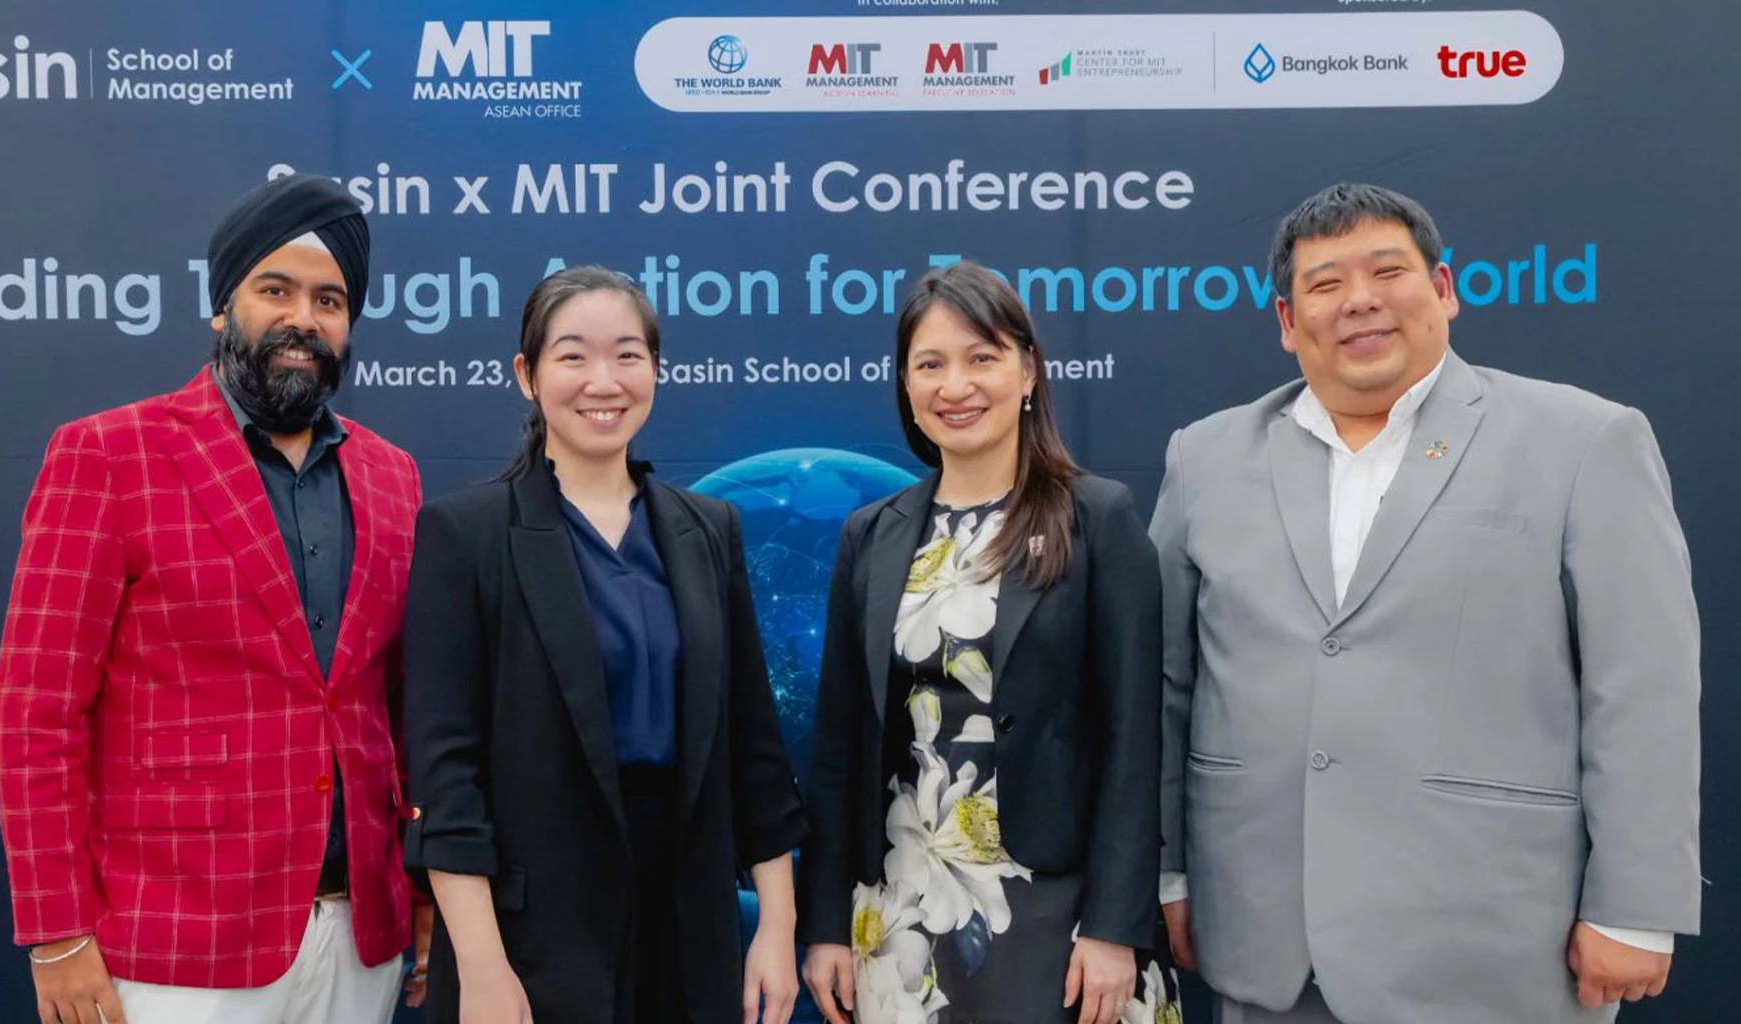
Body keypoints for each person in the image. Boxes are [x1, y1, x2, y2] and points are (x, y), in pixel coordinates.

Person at [1151, 182, 1702, 1023]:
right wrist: (1169, 872)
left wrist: (1635, 906)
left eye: (1387, 271)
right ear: (1288, 322)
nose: (1360, 300)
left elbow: (1642, 688)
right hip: (1269, 944)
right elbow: (1166, 686)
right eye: (1326, 284)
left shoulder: (1584, 441)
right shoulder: (1206, 458)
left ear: (1443, 289)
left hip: (1495, 951)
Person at [0, 173, 429, 1024]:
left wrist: (417, 887)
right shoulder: (108, 455)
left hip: (360, 937)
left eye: (330, 300)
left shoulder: (393, 475)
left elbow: (400, 707)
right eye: (276, 290)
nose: (304, 318)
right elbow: (34, 711)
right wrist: (57, 934)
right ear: (223, 308)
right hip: (173, 944)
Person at [401, 265, 807, 1024]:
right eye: (573, 356)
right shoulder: (467, 534)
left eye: (627, 355)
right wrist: (482, 967)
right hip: (529, 944)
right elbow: (445, 771)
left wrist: (776, 928)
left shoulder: (707, 531)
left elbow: (754, 749)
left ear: (655, 369)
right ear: (526, 375)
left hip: (689, 933)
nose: (603, 381)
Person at [798, 261, 1180, 1024]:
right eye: (930, 365)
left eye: (982, 357)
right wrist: (826, 924)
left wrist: (1115, 925)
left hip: (1065, 915)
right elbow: (839, 750)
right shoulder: (870, 537)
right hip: (903, 907)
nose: (956, 386)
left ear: (1028, 371)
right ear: (905, 384)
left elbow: (1136, 741)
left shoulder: (1097, 520)